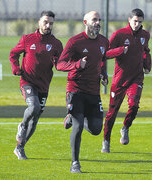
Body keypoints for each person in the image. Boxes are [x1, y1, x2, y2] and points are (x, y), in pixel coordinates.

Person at [57, 11, 109, 173]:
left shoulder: (104, 41)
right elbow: (60, 64)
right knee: (78, 127)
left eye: (99, 20)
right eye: (94, 20)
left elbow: (102, 60)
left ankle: (71, 118)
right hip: (75, 90)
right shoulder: (75, 42)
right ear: (85, 22)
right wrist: (77, 64)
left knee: (96, 129)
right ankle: (75, 164)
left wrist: (104, 74)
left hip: (93, 92)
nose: (98, 22)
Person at [9, 11, 63, 159]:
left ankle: (20, 148)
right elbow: (13, 54)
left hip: (44, 85)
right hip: (27, 81)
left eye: (51, 23)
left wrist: (62, 64)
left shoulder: (56, 44)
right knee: (34, 107)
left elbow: (60, 63)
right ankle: (22, 125)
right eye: (45, 22)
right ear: (39, 22)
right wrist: (16, 68)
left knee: (36, 119)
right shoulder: (27, 39)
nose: (48, 25)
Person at [101, 8, 152, 153]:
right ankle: (106, 140)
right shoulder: (119, 34)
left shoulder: (145, 35)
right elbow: (105, 54)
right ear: (129, 20)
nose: (137, 24)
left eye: (140, 22)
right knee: (112, 113)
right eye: (135, 21)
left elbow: (146, 51)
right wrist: (119, 51)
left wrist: (147, 65)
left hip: (136, 78)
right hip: (120, 80)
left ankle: (125, 127)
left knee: (134, 106)